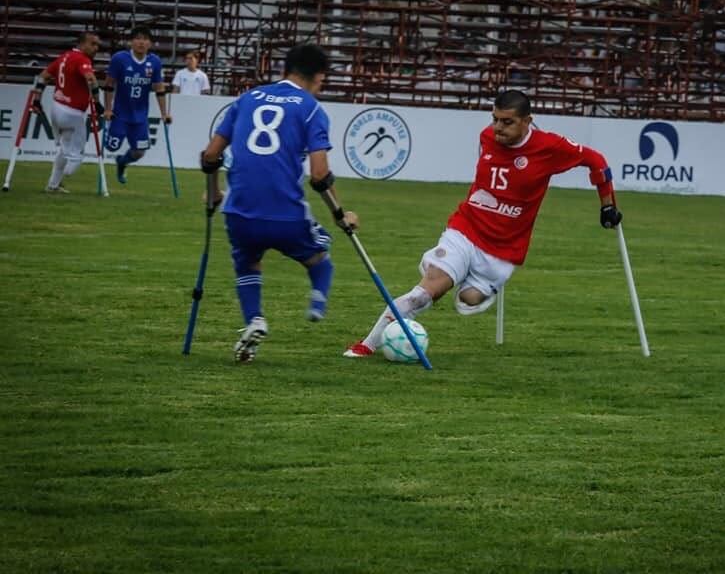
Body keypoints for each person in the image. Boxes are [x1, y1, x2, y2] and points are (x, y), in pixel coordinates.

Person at [344, 89, 622, 358]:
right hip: (466, 229)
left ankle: (479, 287)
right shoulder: (487, 137)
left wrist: (607, 204)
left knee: (469, 300)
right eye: (495, 119)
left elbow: (596, 161)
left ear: (527, 121)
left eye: (507, 122)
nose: (497, 128)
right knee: (426, 292)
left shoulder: (550, 147)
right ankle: (367, 345)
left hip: (503, 249)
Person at [200, 44, 358, 364]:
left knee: (247, 262)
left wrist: (214, 191)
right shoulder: (312, 108)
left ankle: (255, 321)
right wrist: (341, 214)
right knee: (320, 254)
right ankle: (316, 302)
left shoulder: (246, 98)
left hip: (239, 210)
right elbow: (319, 174)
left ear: (286, 70)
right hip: (285, 214)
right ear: (317, 77)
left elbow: (210, 156)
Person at [30, 32, 105, 193]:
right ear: (82, 44)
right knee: (77, 154)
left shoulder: (63, 57)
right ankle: (67, 172)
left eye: (97, 45)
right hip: (73, 113)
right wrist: (98, 102)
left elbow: (43, 77)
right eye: (93, 44)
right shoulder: (82, 59)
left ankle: (53, 185)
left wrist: (37, 99)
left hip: (56, 108)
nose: (96, 48)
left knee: (64, 148)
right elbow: (90, 79)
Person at [103, 27, 171, 184]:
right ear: (131, 42)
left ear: (150, 43)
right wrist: (107, 108)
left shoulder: (154, 62)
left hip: (140, 116)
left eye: (145, 39)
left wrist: (164, 113)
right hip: (120, 114)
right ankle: (118, 156)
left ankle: (122, 162)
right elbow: (109, 85)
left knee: (140, 152)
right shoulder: (119, 59)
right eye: (138, 38)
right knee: (111, 147)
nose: (141, 42)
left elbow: (159, 88)